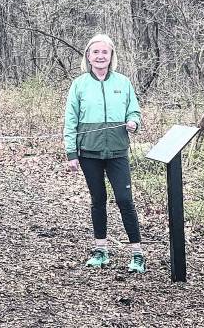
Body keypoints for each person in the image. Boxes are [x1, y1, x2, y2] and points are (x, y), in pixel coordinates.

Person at [64, 33, 145, 273]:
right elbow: (70, 121)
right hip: (89, 153)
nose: (100, 56)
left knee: (124, 200)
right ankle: (101, 250)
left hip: (118, 152)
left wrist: (133, 123)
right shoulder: (79, 84)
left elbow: (135, 112)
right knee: (98, 201)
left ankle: (137, 254)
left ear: (111, 57)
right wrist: (71, 153)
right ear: (88, 57)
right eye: (95, 52)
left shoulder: (123, 83)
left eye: (105, 52)